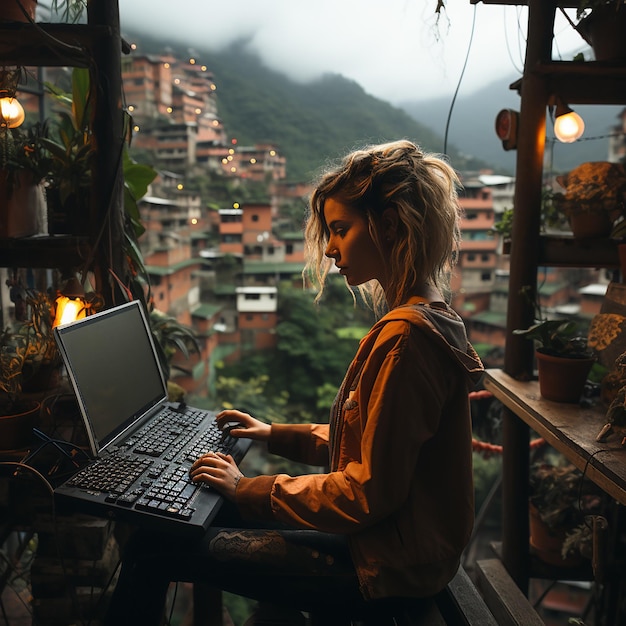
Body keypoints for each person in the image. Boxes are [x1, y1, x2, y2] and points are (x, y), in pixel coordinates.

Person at [104, 139, 484, 625]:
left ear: (388, 226)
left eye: (341, 230)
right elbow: (374, 449)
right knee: (182, 522)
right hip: (391, 544)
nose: (330, 249)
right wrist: (272, 434)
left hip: (381, 565)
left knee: (152, 552)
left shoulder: (405, 341)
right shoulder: (423, 320)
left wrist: (247, 489)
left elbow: (367, 493)